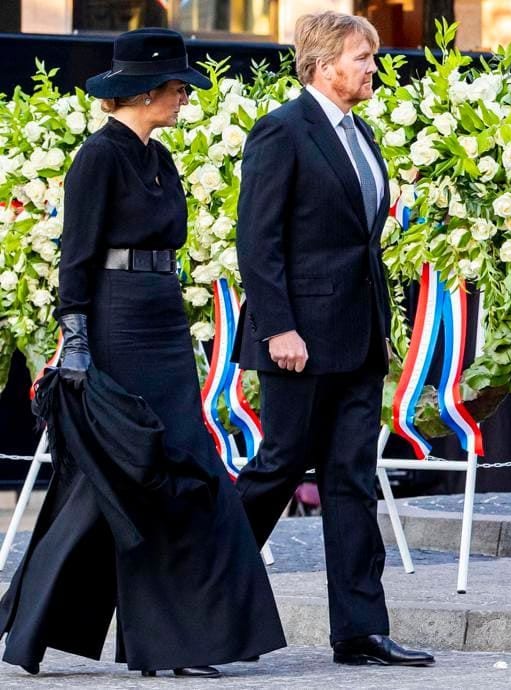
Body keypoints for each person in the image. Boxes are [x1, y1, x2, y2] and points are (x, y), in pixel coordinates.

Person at [0, 28, 286, 678]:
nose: (186, 98)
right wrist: (75, 343)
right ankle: (39, 625)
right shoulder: (98, 159)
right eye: (180, 87)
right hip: (116, 325)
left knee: (184, 473)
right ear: (148, 90)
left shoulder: (157, 157)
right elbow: (76, 259)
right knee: (122, 475)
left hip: (161, 322)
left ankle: (181, 642)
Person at [233, 12, 434, 668]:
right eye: (361, 58)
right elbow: (257, 243)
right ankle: (200, 595)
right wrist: (280, 327)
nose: (372, 68)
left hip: (357, 335)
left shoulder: (361, 133)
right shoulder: (282, 131)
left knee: (352, 477)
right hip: (300, 339)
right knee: (278, 468)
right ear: (323, 67)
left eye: (372, 58)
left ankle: (360, 630)